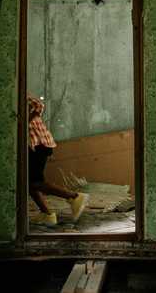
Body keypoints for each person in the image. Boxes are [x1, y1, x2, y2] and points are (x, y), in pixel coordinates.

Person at [28, 94, 89, 226]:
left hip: (39, 144)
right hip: (35, 145)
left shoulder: (18, 94)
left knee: (35, 182)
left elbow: (39, 104)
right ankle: (47, 215)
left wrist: (26, 120)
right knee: (29, 183)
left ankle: (74, 197)